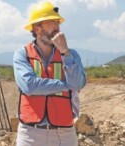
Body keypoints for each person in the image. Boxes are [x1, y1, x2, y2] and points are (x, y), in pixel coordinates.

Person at [13, 1, 86, 146]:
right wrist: (66, 85)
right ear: (37, 28)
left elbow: (78, 84)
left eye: (58, 23)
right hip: (30, 133)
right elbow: (30, 86)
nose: (57, 28)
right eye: (51, 23)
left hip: (64, 133)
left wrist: (65, 52)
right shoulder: (23, 55)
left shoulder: (71, 55)